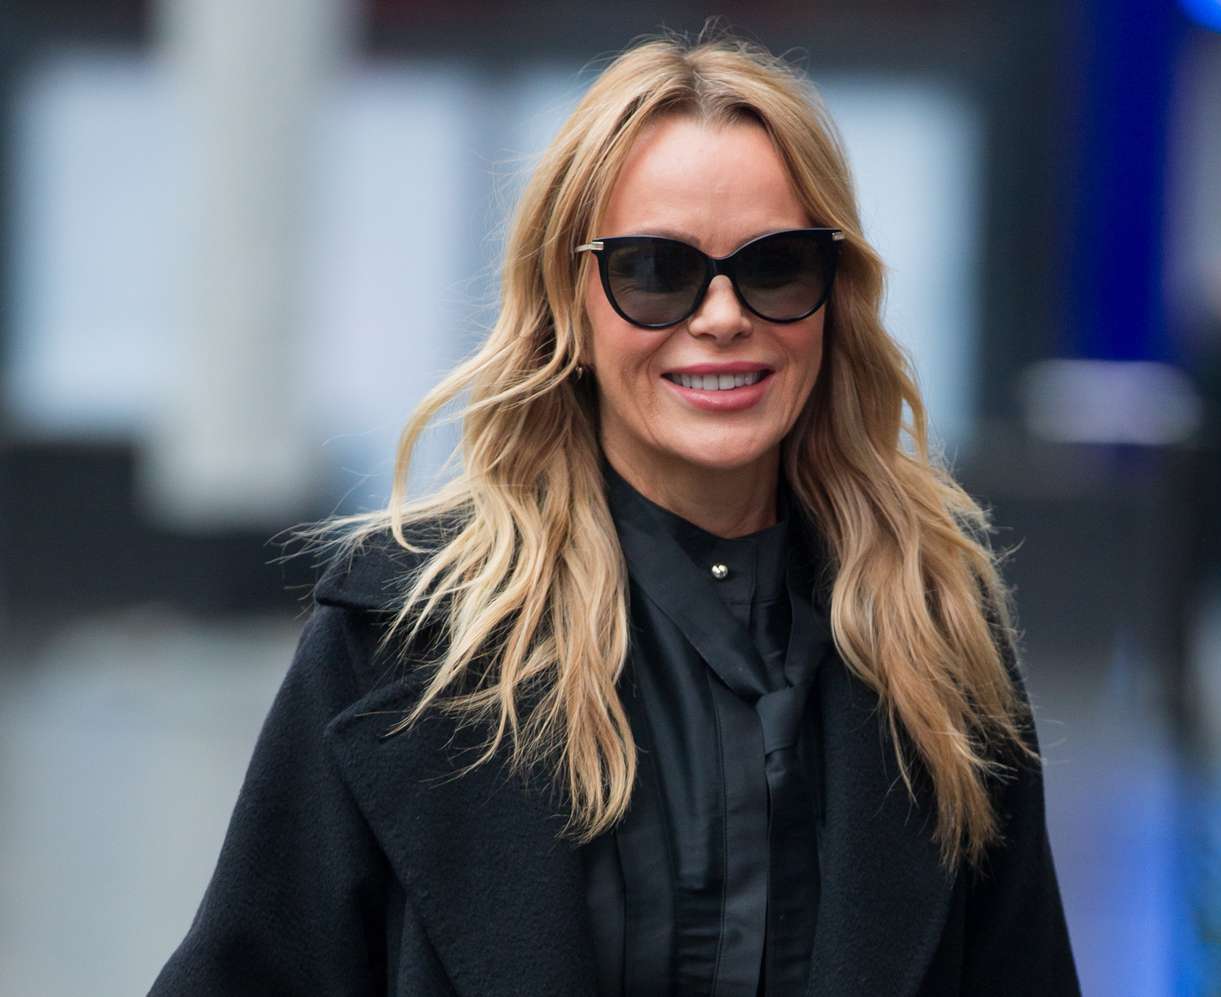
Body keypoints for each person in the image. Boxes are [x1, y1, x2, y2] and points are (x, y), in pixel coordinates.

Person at [151, 30, 1080, 996]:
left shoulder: (935, 633)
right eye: (654, 270)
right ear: (569, 303)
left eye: (777, 266)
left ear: (834, 298)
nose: (722, 315)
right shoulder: (404, 640)